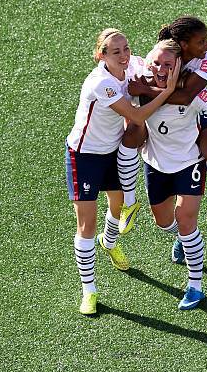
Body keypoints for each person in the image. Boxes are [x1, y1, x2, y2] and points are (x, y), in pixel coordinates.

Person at [65, 28, 179, 315]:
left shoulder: (132, 65)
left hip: (113, 150)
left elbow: (154, 64)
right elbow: (137, 115)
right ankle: (89, 291)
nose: (125, 55)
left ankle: (110, 242)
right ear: (101, 55)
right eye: (116, 52)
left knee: (116, 209)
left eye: (126, 48)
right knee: (86, 226)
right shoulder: (101, 83)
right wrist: (166, 91)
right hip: (86, 156)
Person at [125, 39, 207, 310]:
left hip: (189, 163)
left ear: (179, 66)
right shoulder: (140, 88)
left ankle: (195, 286)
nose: (161, 69)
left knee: (186, 221)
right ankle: (182, 240)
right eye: (157, 63)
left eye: (168, 64)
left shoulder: (194, 93)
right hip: (156, 164)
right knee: (164, 223)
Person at [119, 16, 207, 232]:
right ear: (183, 45)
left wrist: (146, 91)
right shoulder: (162, 55)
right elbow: (145, 76)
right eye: (201, 41)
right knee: (130, 133)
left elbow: (187, 96)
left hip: (194, 113)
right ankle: (131, 202)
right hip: (164, 126)